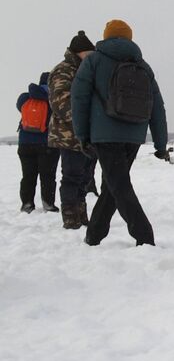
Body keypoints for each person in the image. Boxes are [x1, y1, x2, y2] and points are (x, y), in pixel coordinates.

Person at [71, 20, 170, 246]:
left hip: (104, 134)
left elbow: (79, 98)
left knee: (118, 185)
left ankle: (145, 237)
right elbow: (157, 107)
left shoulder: (93, 61)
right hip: (134, 135)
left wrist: (82, 135)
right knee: (114, 185)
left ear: (106, 37)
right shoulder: (142, 65)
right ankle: (94, 235)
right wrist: (160, 144)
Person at [47, 30, 101, 229]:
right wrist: (82, 123)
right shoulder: (64, 70)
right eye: (88, 54)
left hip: (85, 135)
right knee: (71, 176)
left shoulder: (86, 69)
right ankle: (70, 217)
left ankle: (81, 214)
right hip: (69, 136)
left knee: (85, 177)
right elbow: (60, 101)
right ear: (78, 52)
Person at [16, 73, 60, 214]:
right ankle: (48, 203)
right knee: (47, 175)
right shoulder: (53, 99)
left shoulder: (24, 98)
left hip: (25, 143)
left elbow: (19, 107)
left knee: (28, 175)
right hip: (47, 144)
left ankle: (27, 204)